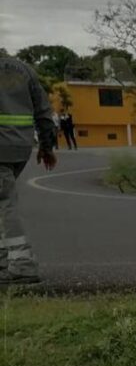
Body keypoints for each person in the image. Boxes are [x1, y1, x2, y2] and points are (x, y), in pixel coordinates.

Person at [0, 52, 57, 286]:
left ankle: (22, 263)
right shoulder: (23, 70)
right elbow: (44, 111)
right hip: (20, 147)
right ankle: (5, 258)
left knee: (4, 202)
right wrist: (46, 146)